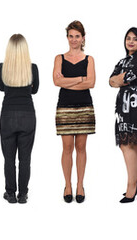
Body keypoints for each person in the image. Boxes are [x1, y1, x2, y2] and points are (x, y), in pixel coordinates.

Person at [53, 20, 96, 203]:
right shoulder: (59, 58)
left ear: (83, 38)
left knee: (81, 148)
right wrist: (80, 78)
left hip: (84, 106)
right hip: (64, 107)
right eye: (71, 36)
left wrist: (68, 81)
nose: (73, 39)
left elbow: (91, 83)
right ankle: (67, 185)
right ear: (67, 37)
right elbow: (56, 82)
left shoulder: (89, 59)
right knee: (67, 148)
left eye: (77, 36)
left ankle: (80, 185)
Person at [110, 27, 137, 203]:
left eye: (135, 39)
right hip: (123, 103)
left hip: (135, 103)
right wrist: (118, 79)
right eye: (128, 38)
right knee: (132, 143)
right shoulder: (122, 60)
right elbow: (111, 80)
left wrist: (119, 79)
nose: (131, 41)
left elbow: (126, 77)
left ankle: (131, 186)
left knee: (129, 143)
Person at [0, 34, 39, 204]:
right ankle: (23, 194)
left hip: (7, 115)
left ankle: (10, 193)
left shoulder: (2, 67)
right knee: (25, 158)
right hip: (27, 115)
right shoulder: (32, 68)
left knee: (8, 158)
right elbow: (34, 90)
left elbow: (1, 87)